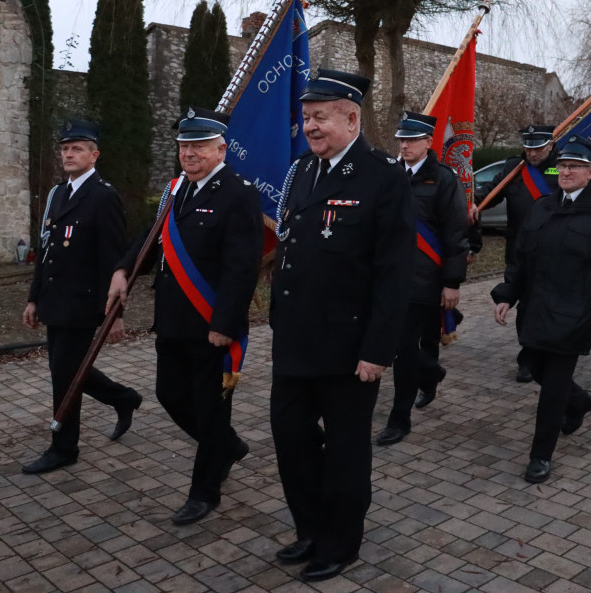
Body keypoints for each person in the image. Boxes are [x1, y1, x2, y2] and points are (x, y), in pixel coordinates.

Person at [268, 69, 413, 582]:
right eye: (306, 117)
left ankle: (340, 542)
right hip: (295, 340)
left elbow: (395, 273)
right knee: (291, 437)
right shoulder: (304, 171)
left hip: (349, 345)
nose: (309, 126)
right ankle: (309, 527)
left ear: (352, 118)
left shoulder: (383, 177)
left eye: (320, 117)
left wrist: (378, 349)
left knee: (347, 449)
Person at [107, 108, 263, 525]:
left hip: (211, 322)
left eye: (198, 146)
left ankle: (204, 492)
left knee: (212, 410)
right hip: (172, 318)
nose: (189, 153)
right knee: (169, 394)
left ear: (220, 149)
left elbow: (241, 267)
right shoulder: (177, 189)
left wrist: (225, 324)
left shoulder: (239, 193)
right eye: (184, 146)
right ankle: (226, 446)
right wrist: (124, 270)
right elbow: (150, 238)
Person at [492, 136, 591, 483]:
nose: (565, 172)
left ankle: (541, 455)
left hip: (574, 312)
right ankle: (580, 399)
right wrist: (507, 294)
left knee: (552, 387)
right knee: (533, 366)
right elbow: (521, 258)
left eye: (575, 167)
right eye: (563, 166)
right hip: (536, 308)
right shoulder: (542, 206)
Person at [21, 119, 142, 474]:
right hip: (55, 301)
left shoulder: (103, 196)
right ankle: (124, 398)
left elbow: (114, 259)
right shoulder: (59, 194)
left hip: (85, 303)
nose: (69, 154)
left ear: (94, 154)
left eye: (77, 149)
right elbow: (46, 252)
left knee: (64, 374)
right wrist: (33, 299)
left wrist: (115, 313)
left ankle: (64, 447)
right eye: (65, 149)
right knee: (68, 369)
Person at [375, 112, 468, 446]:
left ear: (429, 142)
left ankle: (399, 420)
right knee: (404, 347)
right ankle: (431, 374)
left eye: (412, 139)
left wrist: (452, 282)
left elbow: (457, 234)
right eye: (402, 139)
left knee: (405, 348)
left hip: (424, 279)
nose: (405, 145)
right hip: (388, 277)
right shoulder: (388, 175)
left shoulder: (444, 179)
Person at [472, 125, 558, 383]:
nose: (532, 153)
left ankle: (549, 351)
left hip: (556, 251)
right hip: (521, 250)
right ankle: (528, 357)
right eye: (528, 147)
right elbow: (492, 193)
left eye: (538, 147)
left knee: (550, 305)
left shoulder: (563, 168)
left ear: (551, 146)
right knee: (527, 306)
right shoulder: (514, 169)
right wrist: (475, 203)